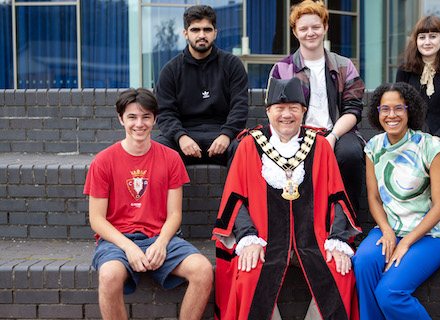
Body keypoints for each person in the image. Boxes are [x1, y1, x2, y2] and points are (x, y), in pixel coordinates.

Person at [212, 77, 361, 320]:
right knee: (249, 274)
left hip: (314, 240)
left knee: (340, 271)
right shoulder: (248, 145)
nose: (286, 115)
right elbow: (235, 198)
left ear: (304, 111)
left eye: (293, 108)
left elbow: (337, 196)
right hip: (263, 239)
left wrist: (337, 239)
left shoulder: (320, 145)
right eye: (279, 108)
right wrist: (248, 237)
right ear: (268, 111)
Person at [84, 88, 213, 320]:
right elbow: (97, 219)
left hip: (159, 236)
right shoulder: (103, 161)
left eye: (146, 117)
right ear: (121, 119)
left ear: (155, 119)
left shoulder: (171, 158)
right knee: (109, 275)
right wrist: (129, 247)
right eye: (132, 117)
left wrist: (162, 243)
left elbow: (174, 214)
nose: (139, 124)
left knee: (203, 270)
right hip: (118, 240)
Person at [352, 82, 440, 320]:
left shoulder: (430, 147)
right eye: (385, 109)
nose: (391, 115)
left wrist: (405, 242)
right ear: (377, 112)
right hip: (389, 230)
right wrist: (386, 231)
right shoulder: (374, 147)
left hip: (427, 236)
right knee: (363, 262)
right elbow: (374, 198)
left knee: (390, 293)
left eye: (399, 108)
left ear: (410, 111)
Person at [269, 0, 366, 220]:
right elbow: (275, 111)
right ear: (295, 32)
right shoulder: (282, 68)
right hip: (296, 134)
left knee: (350, 154)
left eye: (315, 27)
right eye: (303, 28)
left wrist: (332, 137)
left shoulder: (343, 65)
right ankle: (303, 226)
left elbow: (353, 108)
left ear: (325, 27)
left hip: (337, 132)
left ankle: (349, 223)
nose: (310, 33)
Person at [395, 15, 440, 245]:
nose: (427, 41)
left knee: (439, 161)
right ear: (415, 41)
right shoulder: (405, 70)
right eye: (422, 36)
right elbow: (399, 108)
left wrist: (437, 137)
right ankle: (409, 221)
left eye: (433, 36)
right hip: (412, 132)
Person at [154, 5, 248, 166]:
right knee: (158, 150)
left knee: (246, 147)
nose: (202, 35)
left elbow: (239, 106)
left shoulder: (232, 64)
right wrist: (181, 137)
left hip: (223, 135)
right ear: (185, 33)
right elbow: (165, 112)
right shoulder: (171, 69)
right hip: (184, 137)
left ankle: (235, 193)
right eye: (195, 30)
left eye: (207, 30)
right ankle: (172, 193)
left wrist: (226, 134)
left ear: (215, 33)